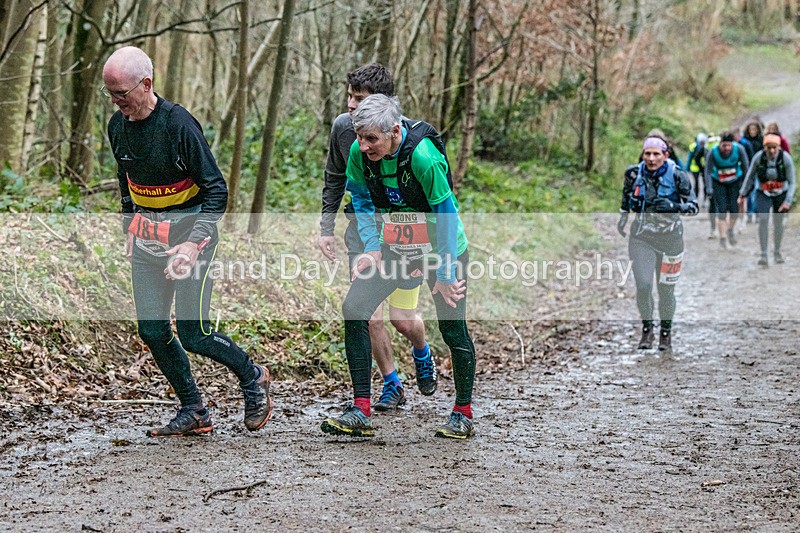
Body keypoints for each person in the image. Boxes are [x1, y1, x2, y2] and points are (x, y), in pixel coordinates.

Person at [102, 46, 272, 436]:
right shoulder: (117, 126)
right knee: (152, 331)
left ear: (146, 85)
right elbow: (126, 180)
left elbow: (216, 191)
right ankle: (194, 409)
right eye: (110, 95)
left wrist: (194, 242)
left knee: (195, 333)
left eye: (122, 94)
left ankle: (253, 376)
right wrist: (130, 223)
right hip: (148, 240)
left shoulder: (179, 126)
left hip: (193, 238)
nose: (116, 102)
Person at [321, 94, 477, 439]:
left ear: (394, 131)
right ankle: (361, 410)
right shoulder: (359, 155)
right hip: (397, 249)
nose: (363, 146)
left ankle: (463, 413)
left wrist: (446, 271)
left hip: (441, 248)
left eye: (371, 139)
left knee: (452, 328)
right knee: (355, 307)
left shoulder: (423, 156)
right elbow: (360, 198)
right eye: (359, 137)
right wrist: (373, 247)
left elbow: (447, 214)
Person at [317, 64, 435, 412]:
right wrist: (326, 228)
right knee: (367, 314)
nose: (352, 106)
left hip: (404, 237)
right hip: (363, 229)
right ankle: (392, 383)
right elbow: (334, 177)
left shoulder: (405, 136)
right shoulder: (342, 129)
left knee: (402, 319)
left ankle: (421, 349)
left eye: (360, 98)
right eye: (349, 96)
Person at [618, 136, 698, 351]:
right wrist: (623, 218)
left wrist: (673, 206)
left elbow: (694, 206)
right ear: (642, 155)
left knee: (666, 291)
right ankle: (647, 329)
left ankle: (665, 332)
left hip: (671, 240)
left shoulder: (678, 176)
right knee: (644, 286)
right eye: (647, 154)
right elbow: (626, 198)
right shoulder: (633, 174)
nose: (651, 159)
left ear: (665, 155)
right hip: (641, 237)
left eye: (656, 154)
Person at [738, 133, 796, 266]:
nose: (771, 151)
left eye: (774, 148)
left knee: (778, 223)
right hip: (762, 192)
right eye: (768, 148)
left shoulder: (785, 158)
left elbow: (792, 182)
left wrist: (788, 201)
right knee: (763, 219)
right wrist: (742, 194)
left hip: (781, 193)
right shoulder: (758, 157)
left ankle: (777, 251)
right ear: (764, 147)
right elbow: (750, 176)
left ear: (779, 147)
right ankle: (763, 254)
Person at [705, 131, 749, 249]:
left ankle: (730, 230)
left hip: (735, 182)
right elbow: (708, 171)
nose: (727, 148)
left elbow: (746, 168)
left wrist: (746, 187)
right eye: (724, 146)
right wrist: (709, 188)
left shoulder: (739, 149)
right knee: (722, 210)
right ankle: (723, 238)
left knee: (734, 210)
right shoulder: (713, 152)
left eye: (729, 145)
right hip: (718, 183)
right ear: (720, 144)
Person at [685, 132, 708, 202]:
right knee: (696, 183)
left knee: (705, 183)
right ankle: (696, 197)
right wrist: (687, 168)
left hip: (703, 168)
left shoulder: (705, 147)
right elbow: (690, 157)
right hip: (695, 168)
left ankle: (704, 198)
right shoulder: (694, 146)